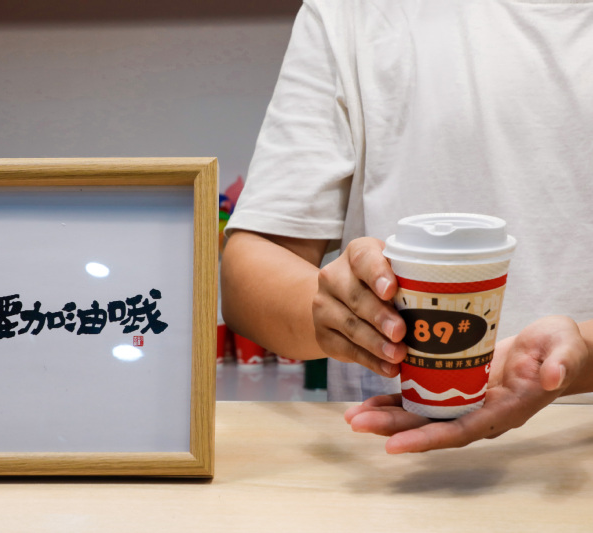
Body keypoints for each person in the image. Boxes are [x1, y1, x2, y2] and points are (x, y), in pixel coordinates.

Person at [221, 0, 593, 453]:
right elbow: (246, 273)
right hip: (379, 459)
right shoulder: (352, 13)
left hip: (576, 458)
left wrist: (583, 353)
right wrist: (337, 312)